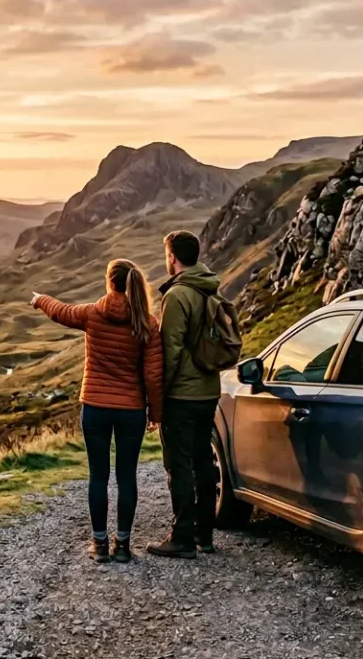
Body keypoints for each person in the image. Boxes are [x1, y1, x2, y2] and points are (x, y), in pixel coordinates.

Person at [31, 260, 164, 563]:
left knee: (98, 476)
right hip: (131, 410)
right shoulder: (148, 323)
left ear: (109, 282)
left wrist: (39, 299)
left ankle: (100, 545)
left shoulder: (92, 313)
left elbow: (59, 311)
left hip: (95, 407)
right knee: (127, 476)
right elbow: (154, 376)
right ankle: (124, 546)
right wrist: (155, 413)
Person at [148, 231, 223, 559]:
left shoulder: (178, 295)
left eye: (167, 255)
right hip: (209, 391)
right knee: (203, 461)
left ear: (173, 258)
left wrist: (158, 398)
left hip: (183, 395)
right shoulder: (210, 288)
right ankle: (204, 535)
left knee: (179, 465)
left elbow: (171, 351)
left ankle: (182, 537)